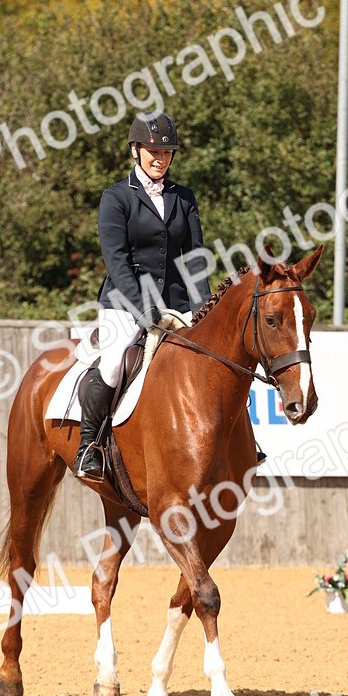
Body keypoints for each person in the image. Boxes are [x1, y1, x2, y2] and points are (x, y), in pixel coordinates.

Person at [74, 112, 211, 479]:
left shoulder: (184, 198)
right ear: (136, 150)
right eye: (152, 150)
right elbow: (116, 260)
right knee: (116, 358)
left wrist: (205, 308)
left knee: (217, 357)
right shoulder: (116, 198)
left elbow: (195, 258)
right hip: (125, 300)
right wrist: (141, 307)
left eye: (166, 152)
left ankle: (242, 439)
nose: (159, 158)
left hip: (176, 301)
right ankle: (89, 446)